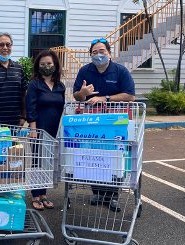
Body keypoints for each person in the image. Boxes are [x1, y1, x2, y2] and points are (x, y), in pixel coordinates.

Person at [73, 38, 135, 212]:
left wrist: (105, 98)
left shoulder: (120, 71)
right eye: (94, 52)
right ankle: (98, 192)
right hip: (92, 121)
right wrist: (82, 93)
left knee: (115, 156)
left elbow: (130, 96)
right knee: (95, 154)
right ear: (90, 55)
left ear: (109, 53)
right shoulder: (85, 71)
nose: (98, 55)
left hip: (115, 122)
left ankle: (112, 196)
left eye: (102, 51)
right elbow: (77, 96)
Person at [26, 50, 65, 211]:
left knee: (48, 162)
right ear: (38, 66)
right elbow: (30, 106)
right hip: (38, 129)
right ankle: (35, 195)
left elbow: (62, 107)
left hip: (53, 130)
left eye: (49, 63)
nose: (46, 66)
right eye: (42, 64)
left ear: (55, 65)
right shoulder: (35, 84)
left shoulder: (60, 86)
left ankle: (44, 194)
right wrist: (33, 128)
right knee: (37, 162)